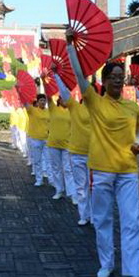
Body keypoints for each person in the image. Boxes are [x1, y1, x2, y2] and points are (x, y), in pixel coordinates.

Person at [67, 30, 139, 277]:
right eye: (114, 77)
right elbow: (79, 76)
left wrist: (137, 144)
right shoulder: (94, 101)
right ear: (105, 80)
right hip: (101, 170)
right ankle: (107, 263)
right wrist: (70, 46)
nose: (119, 81)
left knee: (132, 222)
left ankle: (133, 272)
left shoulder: (133, 107)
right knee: (102, 220)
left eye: (122, 77)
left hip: (128, 171)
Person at [54, 72, 91, 225]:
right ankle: (84, 215)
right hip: (76, 153)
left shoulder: (100, 109)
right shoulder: (75, 107)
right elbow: (64, 93)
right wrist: (57, 75)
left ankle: (95, 216)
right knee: (81, 187)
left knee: (95, 189)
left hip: (95, 154)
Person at [45, 91, 75, 202]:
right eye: (63, 98)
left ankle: (72, 194)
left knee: (68, 170)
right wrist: (44, 81)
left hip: (67, 144)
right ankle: (59, 190)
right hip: (53, 144)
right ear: (59, 99)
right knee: (56, 168)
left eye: (67, 99)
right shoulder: (53, 109)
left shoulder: (72, 112)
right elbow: (48, 97)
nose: (65, 101)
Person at [24, 94, 50, 187]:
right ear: (38, 102)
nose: (43, 102)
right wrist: (20, 91)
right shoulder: (32, 110)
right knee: (37, 160)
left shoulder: (49, 111)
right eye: (41, 100)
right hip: (35, 139)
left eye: (44, 100)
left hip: (47, 139)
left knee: (48, 160)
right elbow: (25, 102)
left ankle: (49, 177)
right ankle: (39, 179)